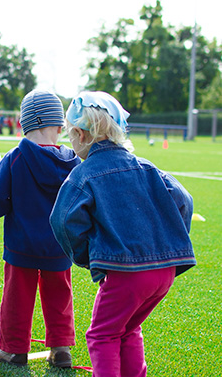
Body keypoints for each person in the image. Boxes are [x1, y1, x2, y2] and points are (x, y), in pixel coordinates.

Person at [50, 91, 196, 377]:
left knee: (102, 335)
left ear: (80, 134)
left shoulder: (83, 174)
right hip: (164, 272)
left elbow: (63, 220)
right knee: (128, 329)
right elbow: (184, 200)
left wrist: (87, 257)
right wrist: (169, 239)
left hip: (126, 273)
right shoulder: (147, 167)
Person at [0, 90, 81, 368]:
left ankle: (14, 349)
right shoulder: (74, 162)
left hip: (21, 244)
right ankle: (61, 349)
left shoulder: (15, 158)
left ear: (23, 124)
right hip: (60, 245)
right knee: (60, 295)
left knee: (17, 297)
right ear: (59, 126)